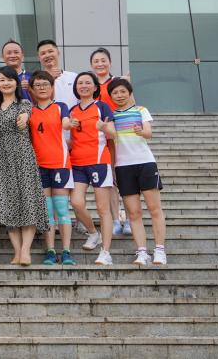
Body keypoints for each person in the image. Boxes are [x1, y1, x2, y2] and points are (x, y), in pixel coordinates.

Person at [0, 66, 48, 266]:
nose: (6, 83)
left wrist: (24, 119)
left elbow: (25, 115)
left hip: (23, 156)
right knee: (8, 204)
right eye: (2, 80)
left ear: (16, 82)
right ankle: (16, 251)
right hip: (1, 159)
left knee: (28, 201)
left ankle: (25, 251)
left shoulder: (24, 104)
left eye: (10, 79)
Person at [108, 78, 167, 266]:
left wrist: (141, 131)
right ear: (111, 96)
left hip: (145, 163)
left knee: (154, 209)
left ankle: (160, 250)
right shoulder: (111, 116)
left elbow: (149, 133)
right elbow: (110, 143)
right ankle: (142, 252)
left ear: (129, 93)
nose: (119, 95)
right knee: (133, 213)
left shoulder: (141, 110)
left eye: (122, 91)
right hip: (123, 167)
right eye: (115, 93)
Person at [67, 71, 117, 266]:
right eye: (80, 83)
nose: (84, 86)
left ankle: (106, 252)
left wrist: (103, 127)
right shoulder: (72, 110)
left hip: (99, 161)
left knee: (103, 208)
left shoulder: (101, 107)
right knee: (76, 202)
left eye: (88, 82)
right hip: (77, 162)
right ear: (76, 87)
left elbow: (113, 132)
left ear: (95, 87)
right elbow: (70, 138)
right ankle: (93, 233)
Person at [27, 71, 76, 266]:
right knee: (47, 212)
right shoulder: (29, 111)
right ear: (32, 89)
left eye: (45, 84)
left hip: (60, 165)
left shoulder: (60, 106)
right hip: (39, 166)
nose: (42, 88)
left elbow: (66, 122)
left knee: (62, 209)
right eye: (37, 85)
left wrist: (70, 124)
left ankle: (66, 251)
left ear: (52, 87)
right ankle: (50, 251)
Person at [90, 47, 130, 237]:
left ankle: (129, 219)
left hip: (120, 136)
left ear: (110, 62)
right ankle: (115, 220)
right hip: (100, 140)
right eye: (96, 61)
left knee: (124, 178)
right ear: (91, 65)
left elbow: (131, 105)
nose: (100, 64)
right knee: (110, 180)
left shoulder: (117, 83)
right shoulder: (91, 86)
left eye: (103, 60)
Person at [37, 40, 77, 109]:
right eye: (43, 53)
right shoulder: (36, 80)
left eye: (50, 51)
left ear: (58, 53)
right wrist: (50, 79)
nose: (47, 55)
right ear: (39, 58)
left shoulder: (74, 76)